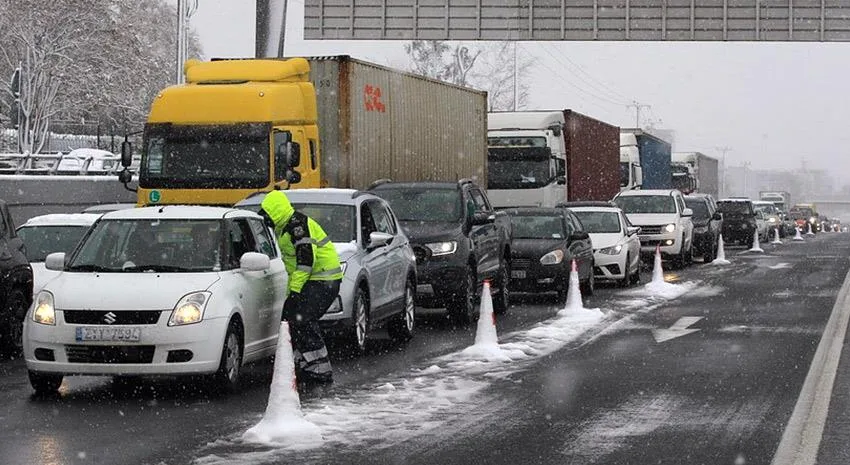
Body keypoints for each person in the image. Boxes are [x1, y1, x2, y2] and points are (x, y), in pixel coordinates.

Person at [259, 191, 343, 384]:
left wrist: (295, 291)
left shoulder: (298, 226)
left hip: (323, 279)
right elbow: (293, 264)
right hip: (313, 279)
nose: (267, 221)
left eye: (268, 216)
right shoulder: (284, 227)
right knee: (291, 320)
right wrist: (291, 292)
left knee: (303, 319)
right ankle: (303, 362)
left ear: (276, 212)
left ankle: (320, 369)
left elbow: (306, 261)